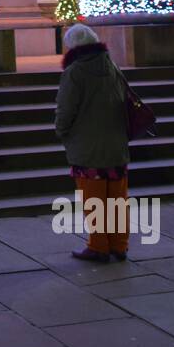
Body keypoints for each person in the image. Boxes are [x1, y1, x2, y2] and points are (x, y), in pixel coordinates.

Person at [54, 22, 130, 263]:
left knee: (94, 198)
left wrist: (62, 131)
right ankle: (120, 244)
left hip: (87, 145)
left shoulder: (74, 72)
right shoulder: (112, 66)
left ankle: (98, 245)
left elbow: (66, 109)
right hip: (115, 143)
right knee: (117, 198)